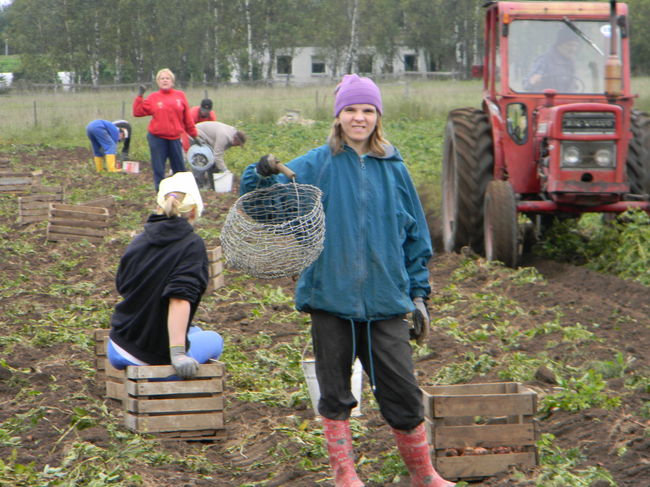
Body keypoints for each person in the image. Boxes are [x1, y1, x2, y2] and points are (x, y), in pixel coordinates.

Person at [239, 74, 455, 487]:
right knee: (335, 394)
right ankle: (345, 475)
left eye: (368, 110)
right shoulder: (315, 164)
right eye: (352, 110)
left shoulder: (394, 169)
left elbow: (415, 238)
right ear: (338, 116)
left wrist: (419, 294)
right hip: (330, 298)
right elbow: (265, 204)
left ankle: (424, 474)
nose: (360, 118)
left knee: (404, 394)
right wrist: (259, 173)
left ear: (378, 116)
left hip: (387, 300)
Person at [107, 172, 223, 378]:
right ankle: (170, 390)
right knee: (214, 339)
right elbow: (179, 298)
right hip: (147, 355)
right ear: (194, 211)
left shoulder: (139, 240)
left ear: (158, 206)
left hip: (118, 345)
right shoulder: (192, 245)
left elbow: (123, 285)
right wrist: (178, 354)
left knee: (195, 332)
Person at [133, 68, 199, 191]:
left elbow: (187, 118)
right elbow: (137, 112)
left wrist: (194, 135)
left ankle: (181, 192)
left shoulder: (180, 96)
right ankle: (161, 193)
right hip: (157, 138)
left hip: (174, 137)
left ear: (172, 81)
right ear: (158, 82)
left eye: (167, 78)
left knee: (179, 169)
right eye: (162, 78)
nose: (165, 80)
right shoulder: (153, 97)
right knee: (159, 168)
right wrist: (139, 96)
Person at [523, 28, 580, 92]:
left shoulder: (572, 63)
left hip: (569, 100)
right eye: (569, 45)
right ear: (559, 45)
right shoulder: (544, 61)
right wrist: (532, 81)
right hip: (549, 100)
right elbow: (527, 84)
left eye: (576, 46)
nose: (573, 49)